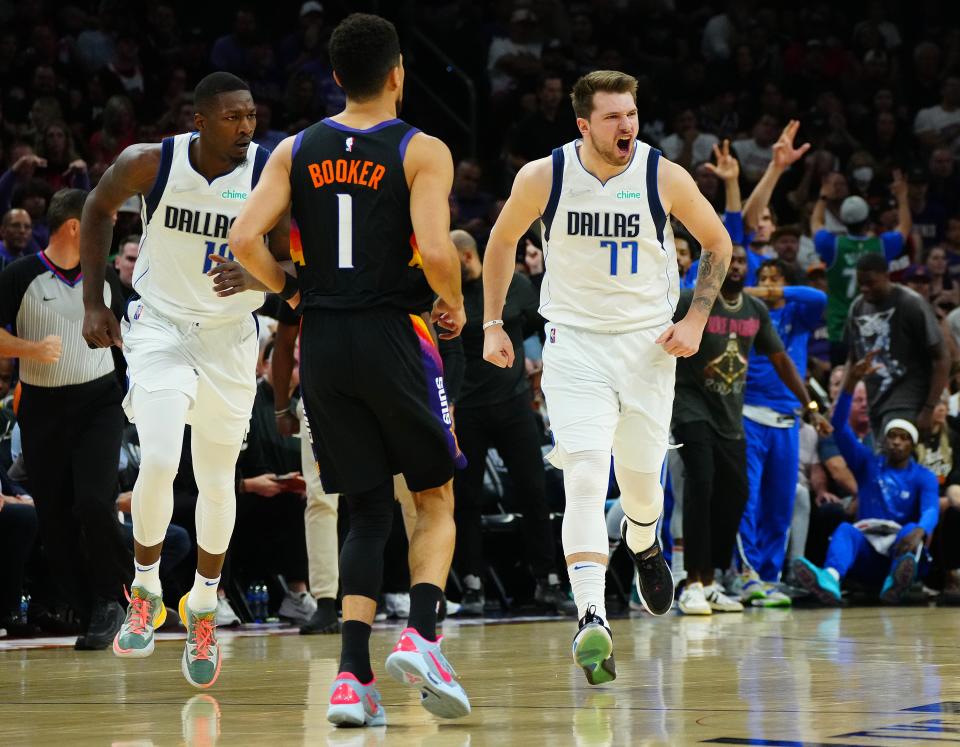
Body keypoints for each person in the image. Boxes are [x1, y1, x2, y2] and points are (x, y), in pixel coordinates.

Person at [228, 13, 470, 727]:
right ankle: (423, 634)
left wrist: (294, 290)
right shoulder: (421, 149)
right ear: (399, 71)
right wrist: (451, 303)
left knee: (363, 507)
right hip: (394, 331)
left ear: (336, 76)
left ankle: (350, 679)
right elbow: (434, 248)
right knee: (433, 496)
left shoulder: (295, 148)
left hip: (322, 343)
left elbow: (244, 237)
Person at [481, 69, 732, 685]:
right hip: (574, 344)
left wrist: (697, 318)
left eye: (632, 114)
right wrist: (492, 322)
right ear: (583, 124)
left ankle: (644, 543)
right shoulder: (545, 176)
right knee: (588, 474)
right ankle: (591, 613)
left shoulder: (661, 175)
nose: (627, 126)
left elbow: (718, 244)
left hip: (647, 347)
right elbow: (500, 241)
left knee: (643, 487)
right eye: (614, 116)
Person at [80, 72, 284, 688]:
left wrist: (258, 278)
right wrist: (95, 301)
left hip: (230, 336)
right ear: (198, 119)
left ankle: (202, 604)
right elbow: (96, 209)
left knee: (220, 479)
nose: (246, 127)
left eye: (251, 115)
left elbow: (296, 260)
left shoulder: (270, 172)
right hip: (160, 324)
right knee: (162, 459)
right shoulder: (151, 162)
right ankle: (144, 589)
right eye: (232, 117)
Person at [0, 188, 133, 649]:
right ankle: (90, 606)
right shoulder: (20, 275)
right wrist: (28, 349)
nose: (109, 230)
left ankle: (116, 598)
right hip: (41, 409)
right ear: (77, 226)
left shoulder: (106, 278)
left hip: (99, 405)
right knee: (54, 522)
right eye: (102, 221)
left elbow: (130, 331)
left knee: (96, 503)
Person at [672, 246, 828, 615]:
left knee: (737, 494)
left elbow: (781, 361)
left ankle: (712, 579)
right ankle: (691, 582)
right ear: (709, 266)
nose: (736, 266)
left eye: (741, 261)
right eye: (729, 260)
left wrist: (810, 406)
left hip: (730, 416)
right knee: (702, 484)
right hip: (691, 408)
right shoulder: (688, 301)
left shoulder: (754, 310)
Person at [449, 228, 575, 616]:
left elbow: (546, 328)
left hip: (513, 402)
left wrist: (540, 370)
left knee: (533, 492)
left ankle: (547, 581)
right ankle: (472, 586)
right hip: (466, 407)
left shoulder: (515, 285)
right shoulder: (446, 293)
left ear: (469, 257)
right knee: (466, 500)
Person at [793, 354, 939, 605]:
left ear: (912, 444)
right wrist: (850, 383)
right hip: (866, 552)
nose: (896, 441)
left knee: (909, 529)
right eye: (892, 436)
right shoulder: (867, 463)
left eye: (903, 437)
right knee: (845, 530)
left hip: (900, 548)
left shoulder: (923, 476)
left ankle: (898, 580)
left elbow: (931, 510)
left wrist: (920, 530)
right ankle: (829, 579)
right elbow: (838, 425)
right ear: (883, 440)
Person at [738, 259, 829, 602]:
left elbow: (818, 298)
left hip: (787, 420)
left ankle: (770, 576)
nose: (766, 283)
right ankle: (746, 575)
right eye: (761, 277)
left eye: (774, 278)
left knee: (781, 502)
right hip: (749, 413)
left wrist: (768, 290)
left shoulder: (797, 315)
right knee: (749, 500)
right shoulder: (747, 314)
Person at [811, 170, 911, 364]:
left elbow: (815, 223)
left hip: (839, 330)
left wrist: (823, 197)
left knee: (840, 384)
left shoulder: (833, 245)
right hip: (873, 329)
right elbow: (904, 228)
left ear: (843, 221)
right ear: (868, 221)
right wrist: (902, 198)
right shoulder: (881, 246)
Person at [846, 252, 949, 436]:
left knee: (893, 456)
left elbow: (941, 357)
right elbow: (852, 361)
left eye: (870, 283)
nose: (864, 289)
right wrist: (842, 401)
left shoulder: (910, 303)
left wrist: (929, 408)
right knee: (882, 463)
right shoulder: (857, 307)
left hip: (908, 399)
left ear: (886, 276)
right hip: (874, 400)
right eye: (861, 283)